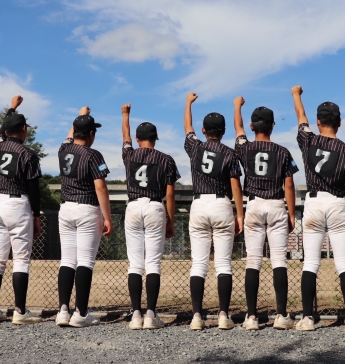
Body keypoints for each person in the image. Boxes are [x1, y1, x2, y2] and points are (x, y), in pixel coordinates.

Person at [291, 85, 345, 333]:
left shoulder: (308, 140)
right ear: (339, 122)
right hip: (337, 202)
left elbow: (301, 117)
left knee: (311, 262)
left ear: (319, 122)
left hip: (313, 201)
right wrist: (342, 189)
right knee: (344, 263)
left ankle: (308, 318)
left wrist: (296, 95)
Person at [233, 96, 298, 331]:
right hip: (276, 203)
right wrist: (292, 213)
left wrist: (237, 107)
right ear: (273, 125)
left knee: (253, 260)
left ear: (252, 126)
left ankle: (251, 316)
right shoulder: (282, 151)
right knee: (279, 259)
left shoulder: (245, 148)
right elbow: (289, 185)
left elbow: (238, 129)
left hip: (254, 204)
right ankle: (281, 315)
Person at [183, 93, 244, 331]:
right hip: (221, 204)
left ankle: (197, 316)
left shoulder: (196, 147)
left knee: (198, 264)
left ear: (204, 130)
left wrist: (188, 103)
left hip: (199, 203)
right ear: (223, 131)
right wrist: (240, 214)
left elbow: (187, 127)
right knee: (223, 264)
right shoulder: (230, 153)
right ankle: (223, 315)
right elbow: (236, 186)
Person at [121, 103, 179, 330]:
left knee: (135, 264)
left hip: (134, 206)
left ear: (138, 139)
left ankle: (136, 315)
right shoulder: (166, 159)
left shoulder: (129, 155)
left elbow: (125, 136)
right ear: (155, 138)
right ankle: (151, 315)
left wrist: (125, 115)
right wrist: (170, 220)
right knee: (153, 263)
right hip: (155, 206)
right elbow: (170, 194)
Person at [0, 95, 43, 325]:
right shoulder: (28, 154)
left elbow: (0, 132)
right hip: (18, 204)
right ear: (23, 129)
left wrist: (11, 108)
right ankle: (20, 311)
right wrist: (37, 216)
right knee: (20, 259)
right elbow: (34, 189)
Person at [55, 106, 114, 328]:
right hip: (87, 208)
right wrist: (107, 217)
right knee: (85, 262)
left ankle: (63, 311)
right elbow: (101, 187)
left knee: (67, 260)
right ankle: (80, 313)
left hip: (66, 209)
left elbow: (68, 136)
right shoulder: (93, 154)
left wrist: (80, 116)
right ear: (91, 134)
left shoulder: (63, 150)